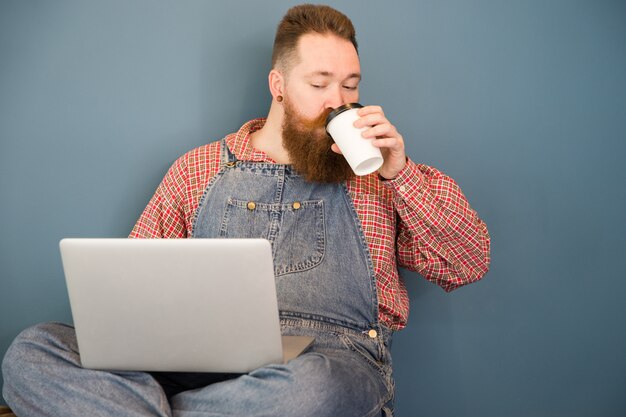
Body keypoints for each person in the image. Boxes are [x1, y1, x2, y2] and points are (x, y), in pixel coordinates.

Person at [1, 4, 490, 417]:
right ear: (278, 84)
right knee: (33, 350)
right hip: (199, 358)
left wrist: (398, 171)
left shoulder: (381, 176)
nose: (338, 102)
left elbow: (467, 263)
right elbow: (134, 297)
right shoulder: (200, 168)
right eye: (319, 84)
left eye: (350, 85)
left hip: (329, 361)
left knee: (316, 387)